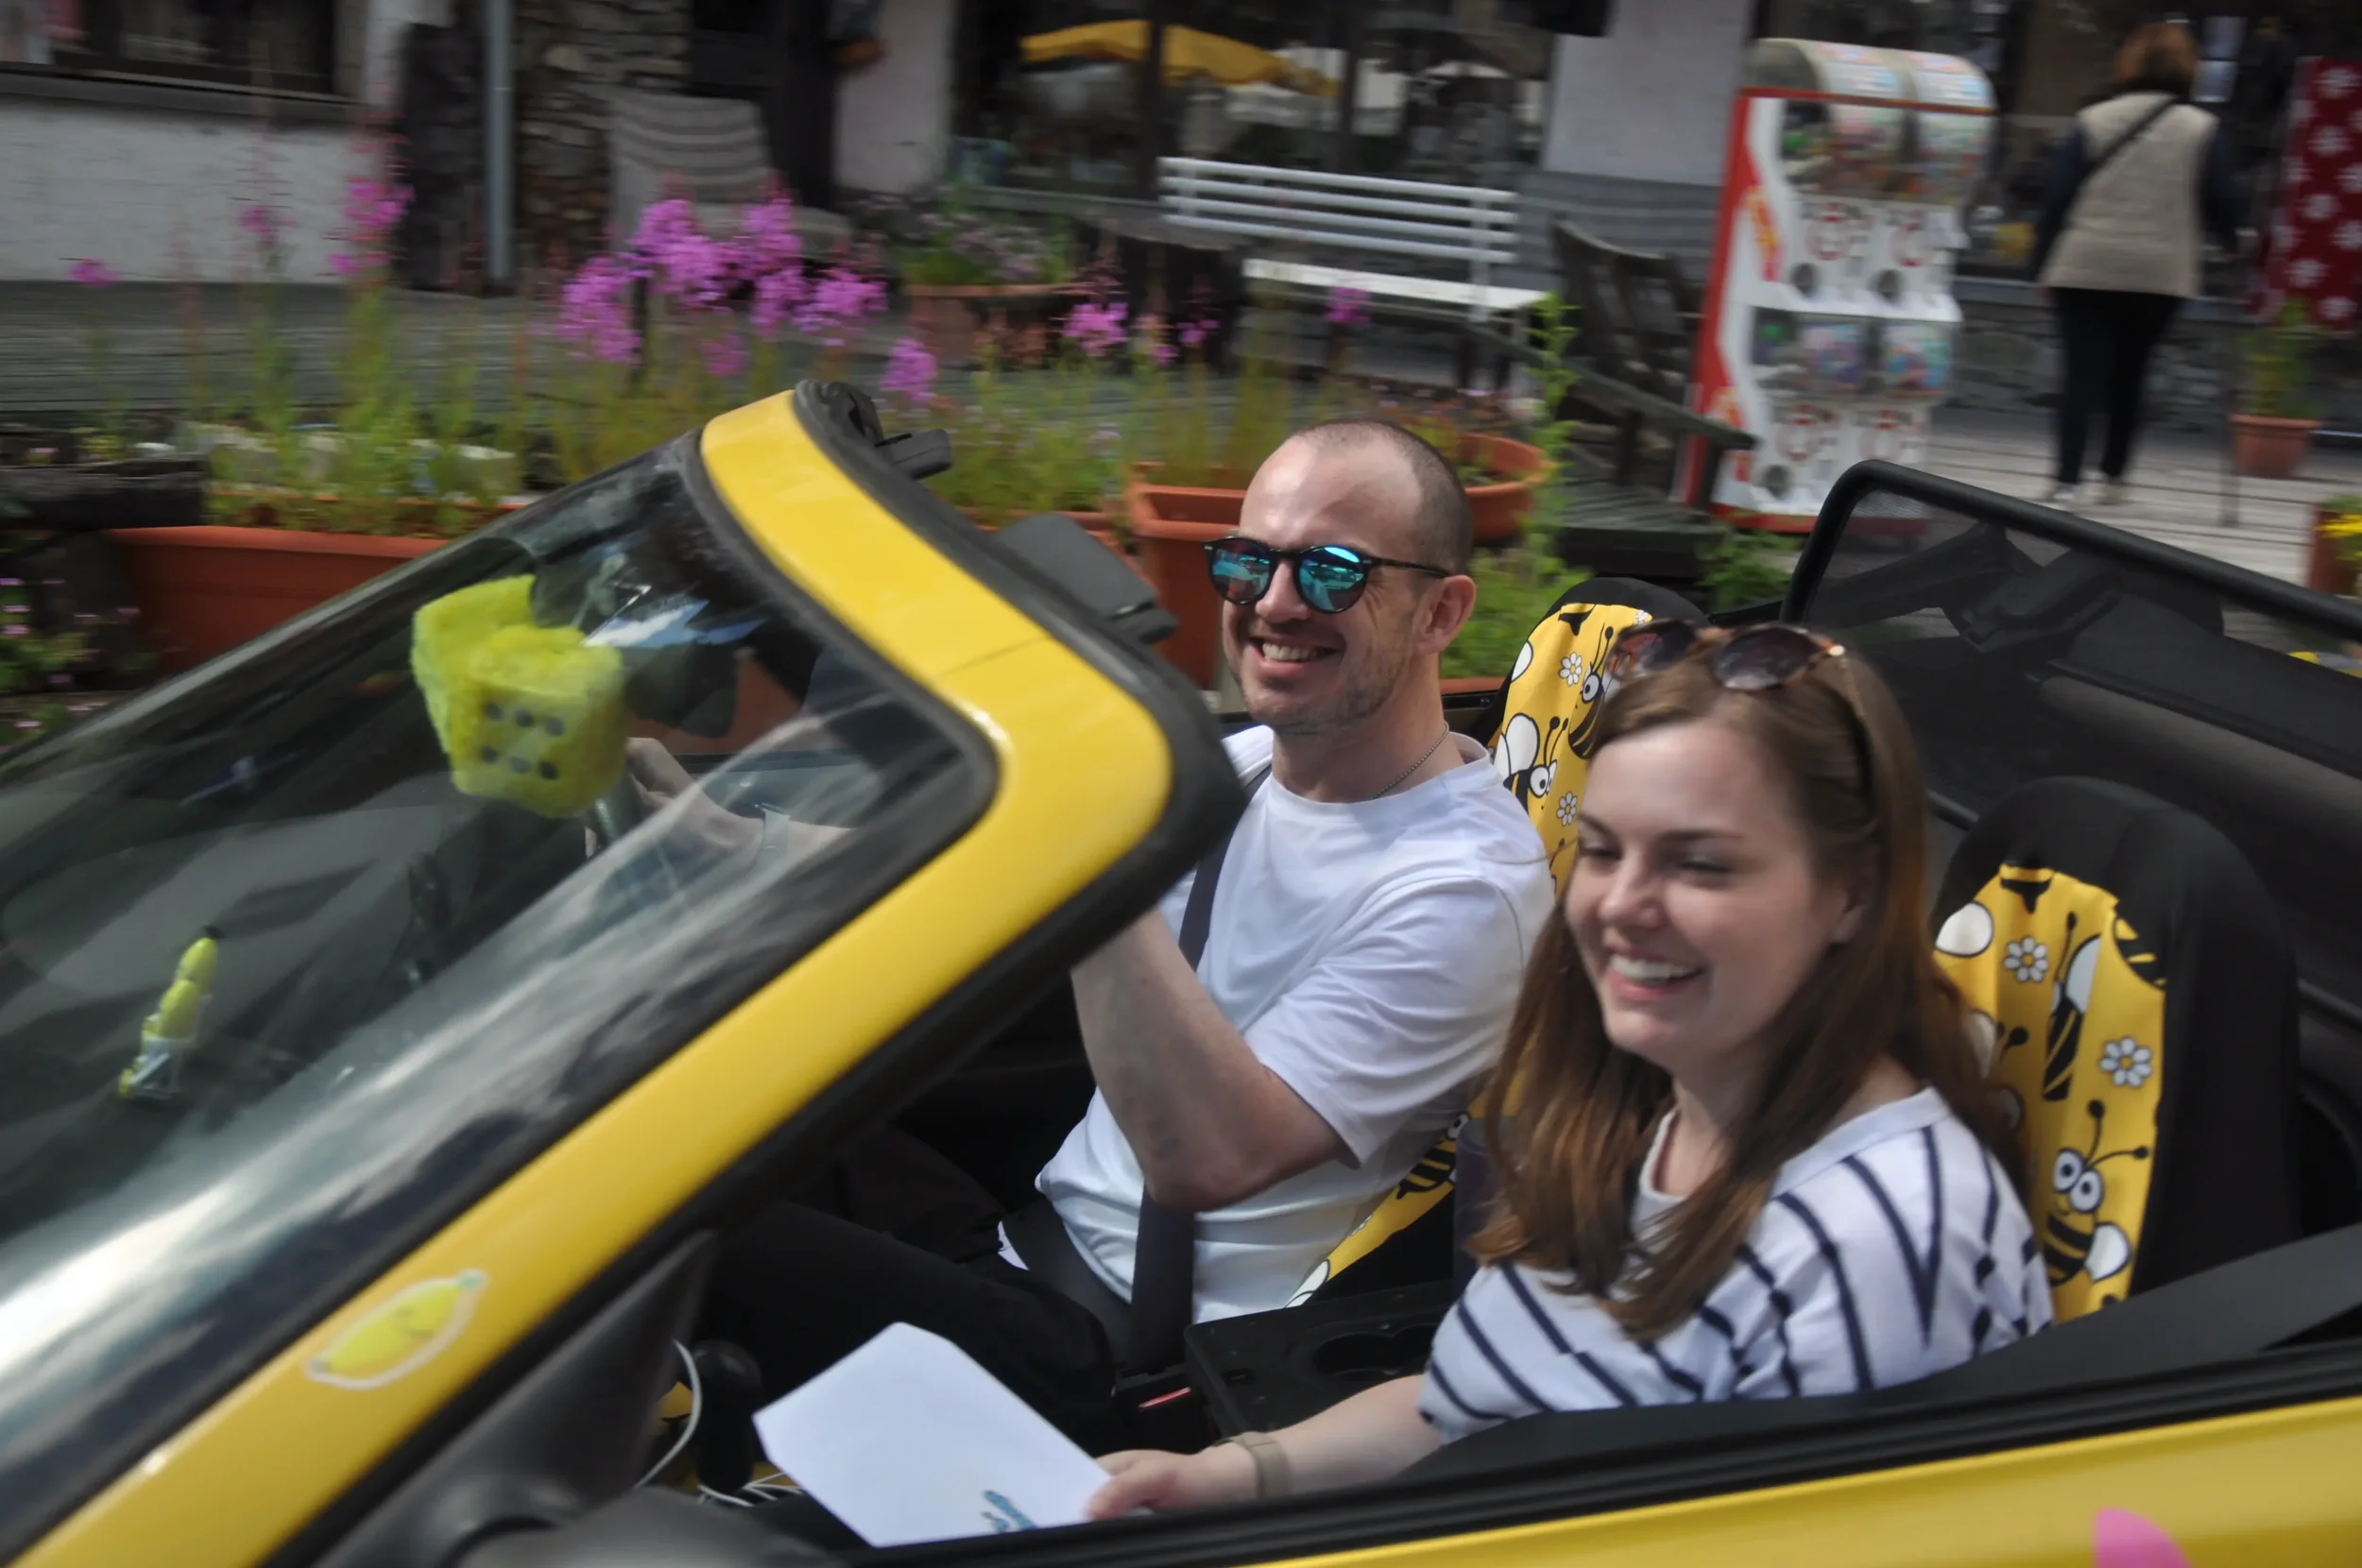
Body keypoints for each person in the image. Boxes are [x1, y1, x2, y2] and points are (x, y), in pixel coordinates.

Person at [678, 420, 1555, 1451]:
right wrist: (708, 835)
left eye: (1331, 572)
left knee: (654, 1235)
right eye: (1245, 563)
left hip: (1117, 1363)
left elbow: (1208, 1157)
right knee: (677, 1122)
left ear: (1440, 611)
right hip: (1020, 1239)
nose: (1272, 604)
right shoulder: (1244, 766)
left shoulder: (1461, 891)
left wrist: (1088, 833)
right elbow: (971, 878)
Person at [1088, 623, 2050, 1515]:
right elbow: (1473, 1404)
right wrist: (1231, 1474)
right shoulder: (1652, 1113)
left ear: (1853, 893)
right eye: (1601, 850)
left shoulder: (1880, 1243)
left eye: (1701, 864)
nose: (1623, 904)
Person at [2032, 21, 2242, 509]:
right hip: (2160, 272)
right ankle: (2114, 475)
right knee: (2132, 372)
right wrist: (2232, 242)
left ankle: (2066, 480)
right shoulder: (2204, 130)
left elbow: (2056, 200)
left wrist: (2040, 266)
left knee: (2080, 374)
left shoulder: (2094, 120)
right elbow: (2222, 199)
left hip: (2085, 264)